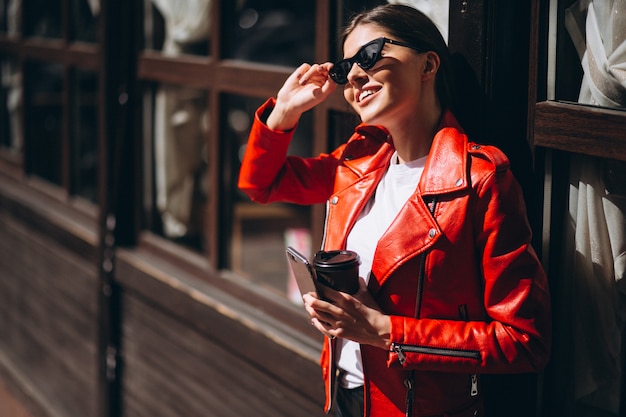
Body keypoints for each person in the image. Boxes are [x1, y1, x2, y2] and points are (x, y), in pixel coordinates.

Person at [238, 4, 551, 417]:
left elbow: (524, 341)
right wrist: (284, 112)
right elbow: (261, 184)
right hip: (342, 393)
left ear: (428, 64)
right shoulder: (358, 164)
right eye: (345, 67)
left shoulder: (480, 180)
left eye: (369, 56)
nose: (353, 75)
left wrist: (386, 332)